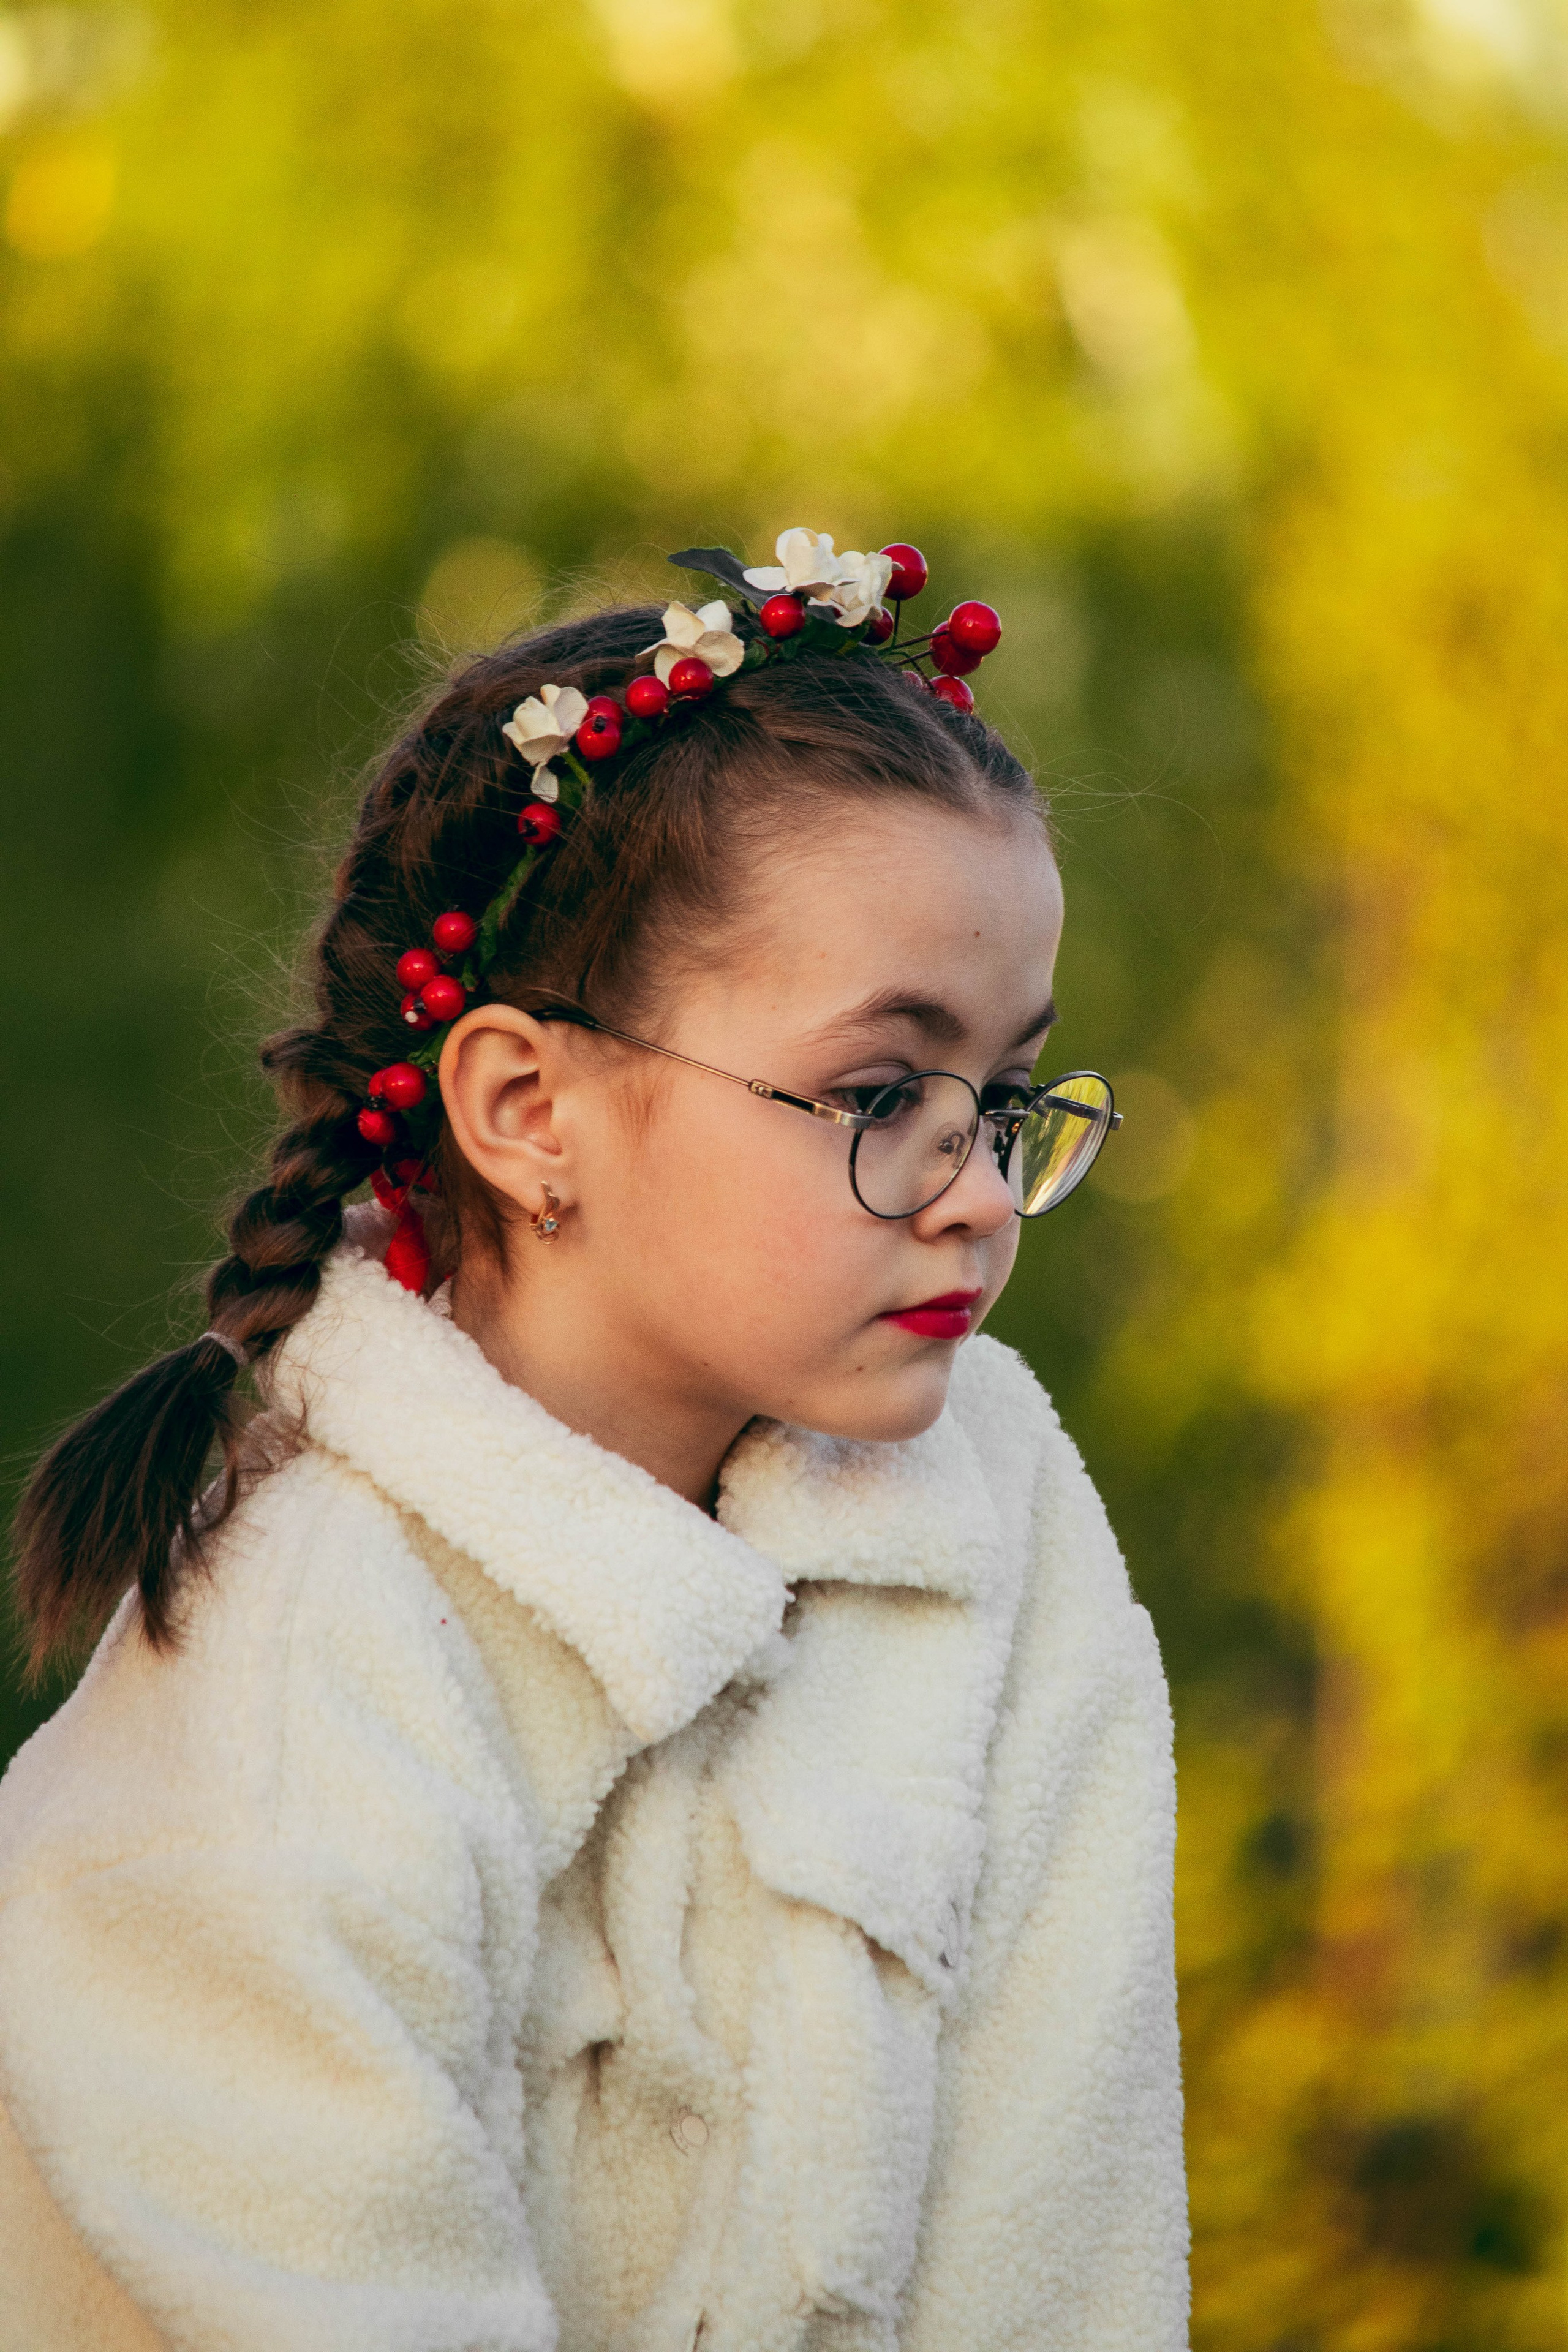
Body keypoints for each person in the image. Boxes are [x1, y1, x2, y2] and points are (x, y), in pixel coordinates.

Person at [0, 530, 1188, 2351]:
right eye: (882, 1093)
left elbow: (1069, 2261)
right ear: (525, 1108)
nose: (973, 1193)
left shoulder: (992, 1507)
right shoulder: (288, 1693)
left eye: (1008, 1094)